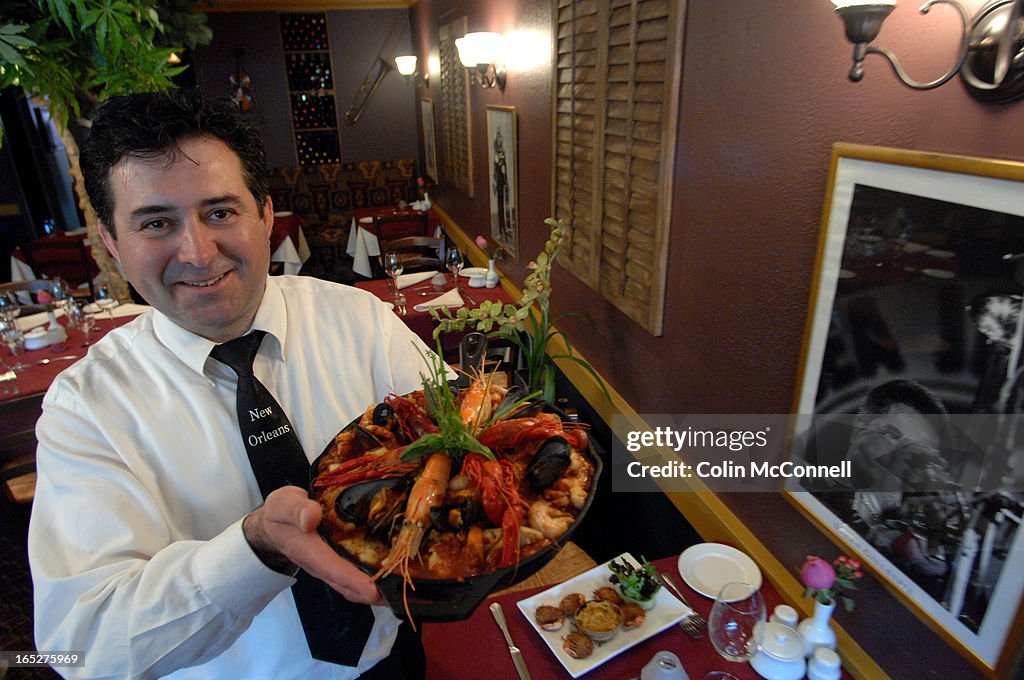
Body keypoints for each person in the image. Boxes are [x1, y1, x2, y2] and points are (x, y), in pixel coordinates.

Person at [28, 90, 436, 679]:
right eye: (156, 223)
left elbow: (461, 432)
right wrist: (254, 549)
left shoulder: (359, 319)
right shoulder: (84, 409)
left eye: (220, 212)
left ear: (266, 215)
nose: (197, 252)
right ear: (112, 245)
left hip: (395, 657)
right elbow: (83, 646)